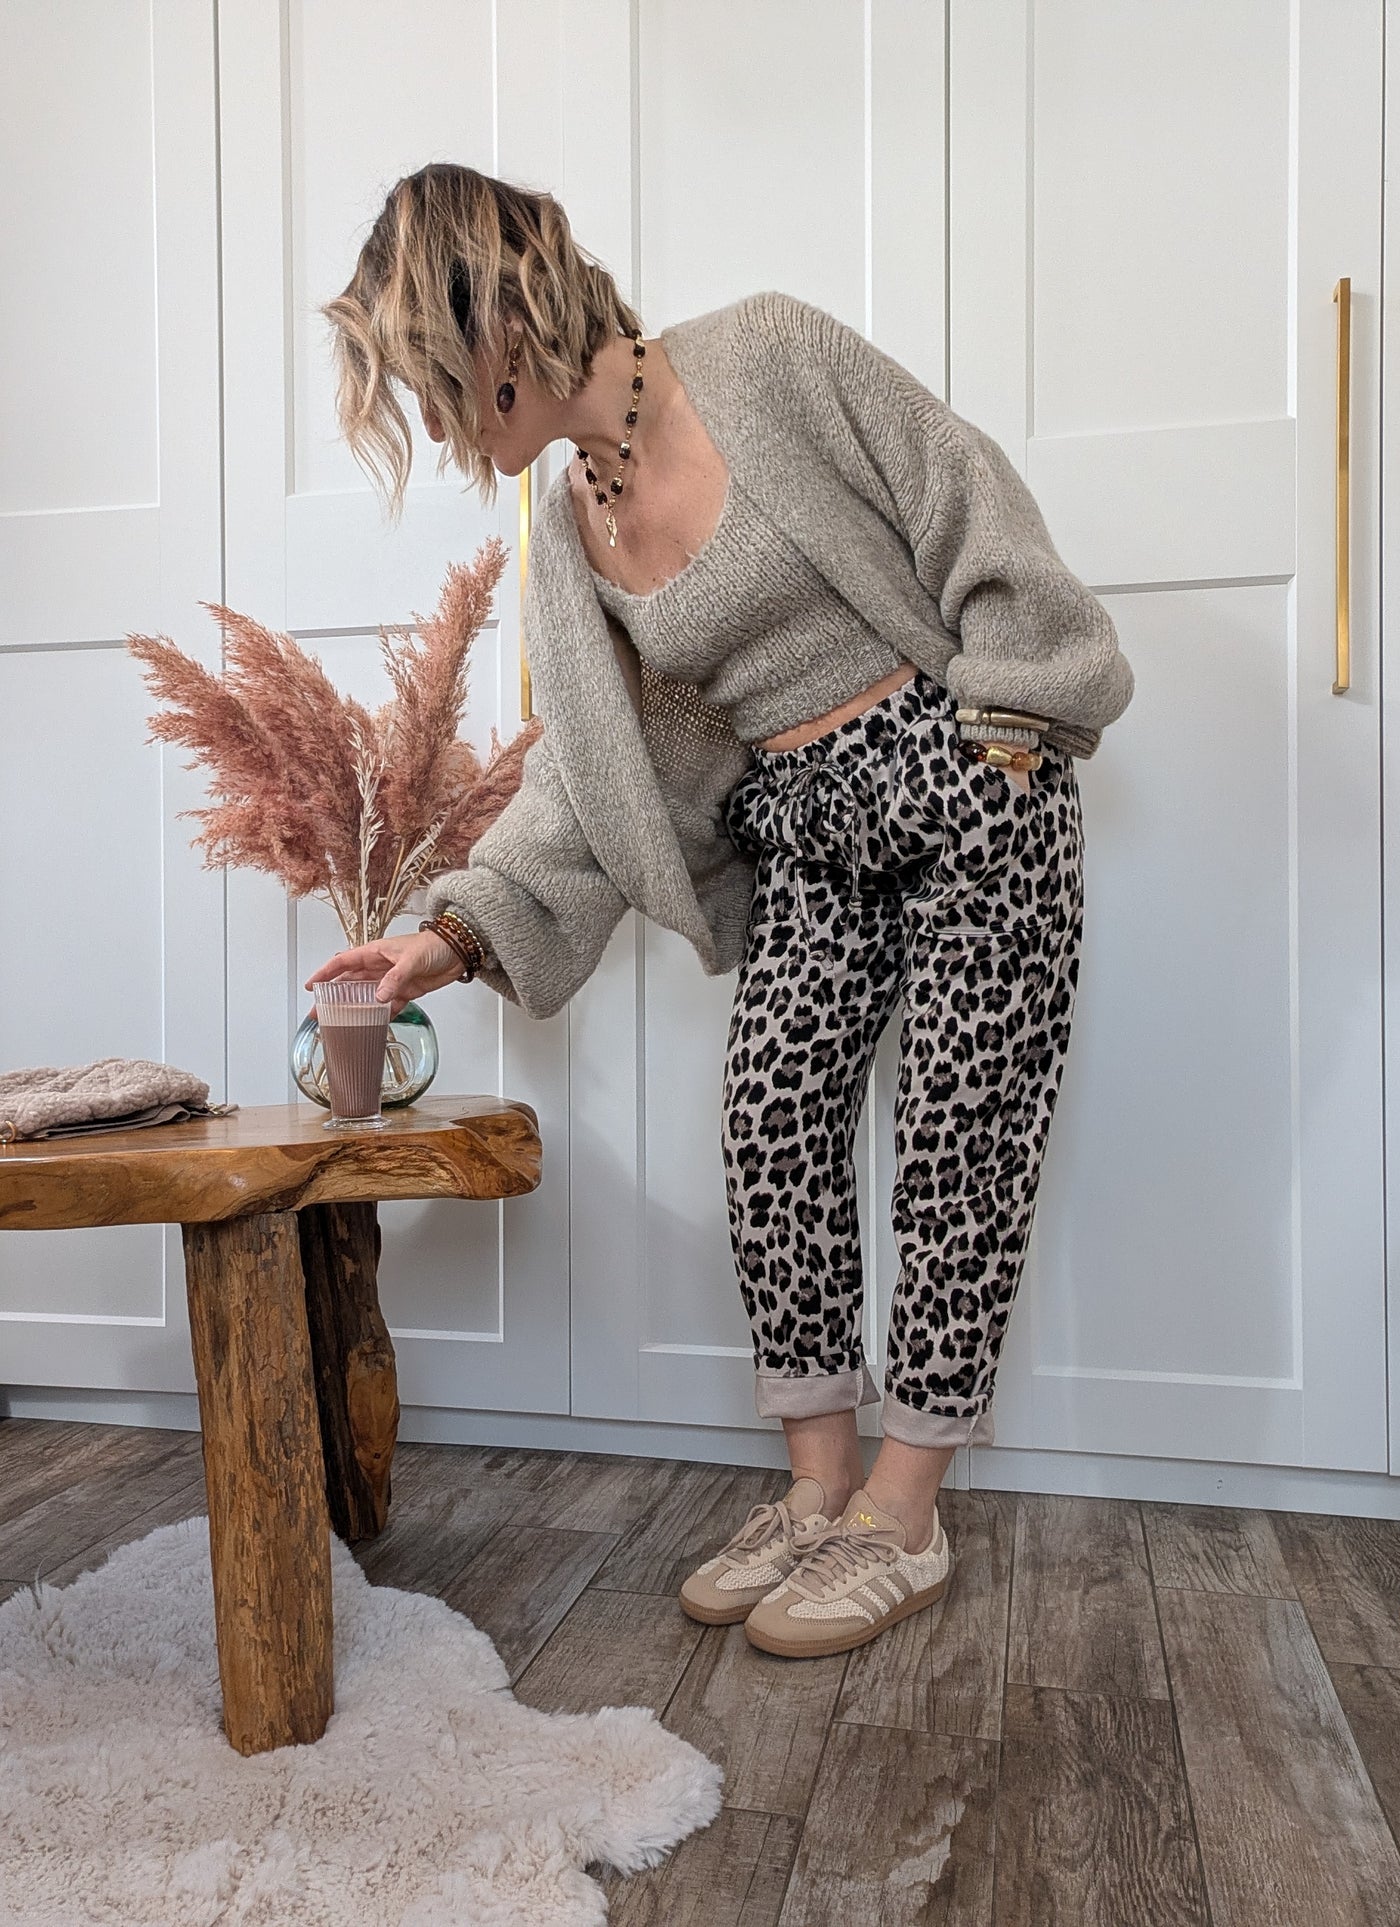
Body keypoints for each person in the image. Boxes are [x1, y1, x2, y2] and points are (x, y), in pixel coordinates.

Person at [308, 162, 1133, 1660]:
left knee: (959, 1138)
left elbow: (966, 495)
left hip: (967, 784)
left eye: (432, 379)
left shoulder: (761, 354)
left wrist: (1008, 735)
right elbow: (589, 774)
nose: (433, 421)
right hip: (806, 827)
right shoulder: (564, 524)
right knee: (770, 1130)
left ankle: (902, 1512)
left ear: (500, 310)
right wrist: (438, 935)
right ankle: (816, 1494)